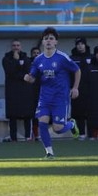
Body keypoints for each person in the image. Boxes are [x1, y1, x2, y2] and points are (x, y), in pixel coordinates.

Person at [23, 27, 80, 159]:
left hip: (60, 98)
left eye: (51, 39)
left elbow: (77, 70)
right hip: (45, 98)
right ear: (43, 42)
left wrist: (75, 88)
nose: (48, 41)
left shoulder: (62, 57)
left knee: (57, 128)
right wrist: (28, 78)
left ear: (56, 42)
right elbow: (32, 77)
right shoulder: (38, 60)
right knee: (42, 123)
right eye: (46, 39)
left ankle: (71, 124)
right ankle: (49, 153)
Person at [2, 39, 36, 141]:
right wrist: (16, 62)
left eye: (18, 45)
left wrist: (21, 73)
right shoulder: (6, 59)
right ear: (11, 47)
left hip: (25, 91)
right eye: (14, 45)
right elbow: (10, 72)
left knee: (27, 115)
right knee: (13, 116)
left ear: (21, 47)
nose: (16, 47)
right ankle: (13, 138)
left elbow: (28, 71)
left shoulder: (26, 58)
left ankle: (28, 137)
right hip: (12, 91)